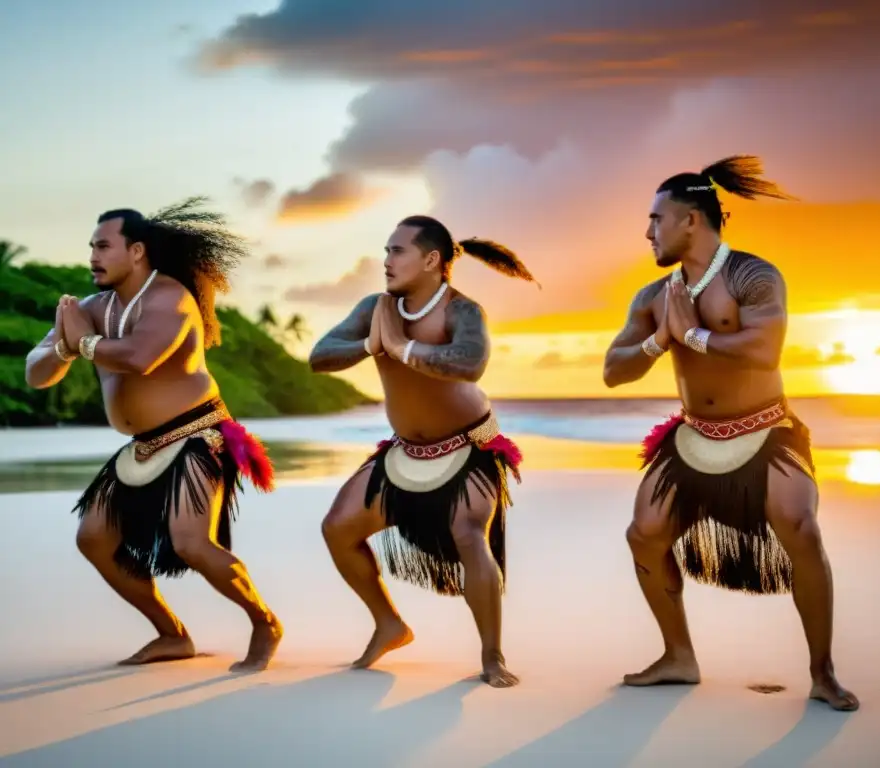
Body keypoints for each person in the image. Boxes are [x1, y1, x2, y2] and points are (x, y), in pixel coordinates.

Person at [603, 156, 858, 711]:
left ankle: (823, 671)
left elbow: (764, 350)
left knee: (801, 527)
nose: (647, 231)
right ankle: (678, 656)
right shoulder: (653, 296)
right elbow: (612, 370)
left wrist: (691, 336)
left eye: (656, 219)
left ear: (690, 220)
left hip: (766, 431)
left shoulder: (753, 276)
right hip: (694, 436)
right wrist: (657, 342)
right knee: (643, 533)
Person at [24, 197, 283, 672]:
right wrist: (63, 346)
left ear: (137, 250)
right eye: (91, 247)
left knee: (191, 542)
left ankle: (263, 621)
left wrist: (81, 341)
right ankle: (172, 634)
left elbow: (141, 356)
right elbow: (35, 374)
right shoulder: (90, 308)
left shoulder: (170, 298)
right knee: (94, 539)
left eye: (104, 246)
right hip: (141, 446)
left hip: (196, 434)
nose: (93, 256)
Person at [309, 215, 535, 688]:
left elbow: (471, 364)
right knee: (337, 528)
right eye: (387, 250)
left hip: (467, 447)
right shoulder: (375, 307)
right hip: (403, 451)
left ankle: (492, 656)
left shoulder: (462, 311)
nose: (386, 260)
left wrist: (403, 348)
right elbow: (320, 356)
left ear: (431, 260)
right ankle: (389, 624)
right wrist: (373, 342)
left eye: (397, 251)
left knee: (469, 534)